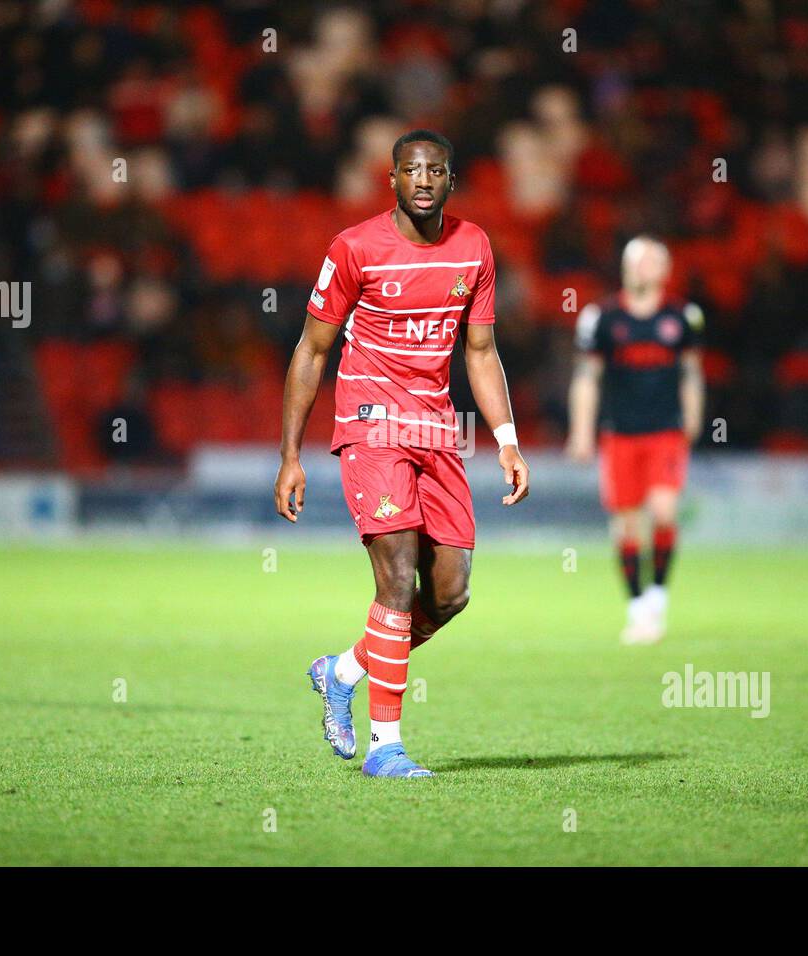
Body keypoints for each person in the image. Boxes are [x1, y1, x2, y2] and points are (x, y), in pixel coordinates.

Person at [274, 129, 530, 778]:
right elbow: (311, 350)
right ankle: (386, 747)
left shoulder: (473, 246)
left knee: (449, 594)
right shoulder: (354, 248)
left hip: (439, 434)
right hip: (370, 429)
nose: (423, 180)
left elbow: (478, 352)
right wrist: (291, 455)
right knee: (395, 579)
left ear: (451, 180)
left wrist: (506, 440)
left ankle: (344, 668)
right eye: (411, 170)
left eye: (435, 170)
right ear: (391, 179)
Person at [566, 236, 704, 644]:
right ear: (626, 266)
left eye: (653, 260)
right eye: (638, 259)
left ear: (665, 269)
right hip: (619, 433)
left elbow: (691, 372)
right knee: (627, 524)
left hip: (665, 431)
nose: (645, 266)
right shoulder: (601, 318)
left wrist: (694, 416)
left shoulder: (684, 317)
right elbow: (587, 378)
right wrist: (580, 430)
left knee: (663, 510)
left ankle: (658, 593)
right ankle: (637, 604)